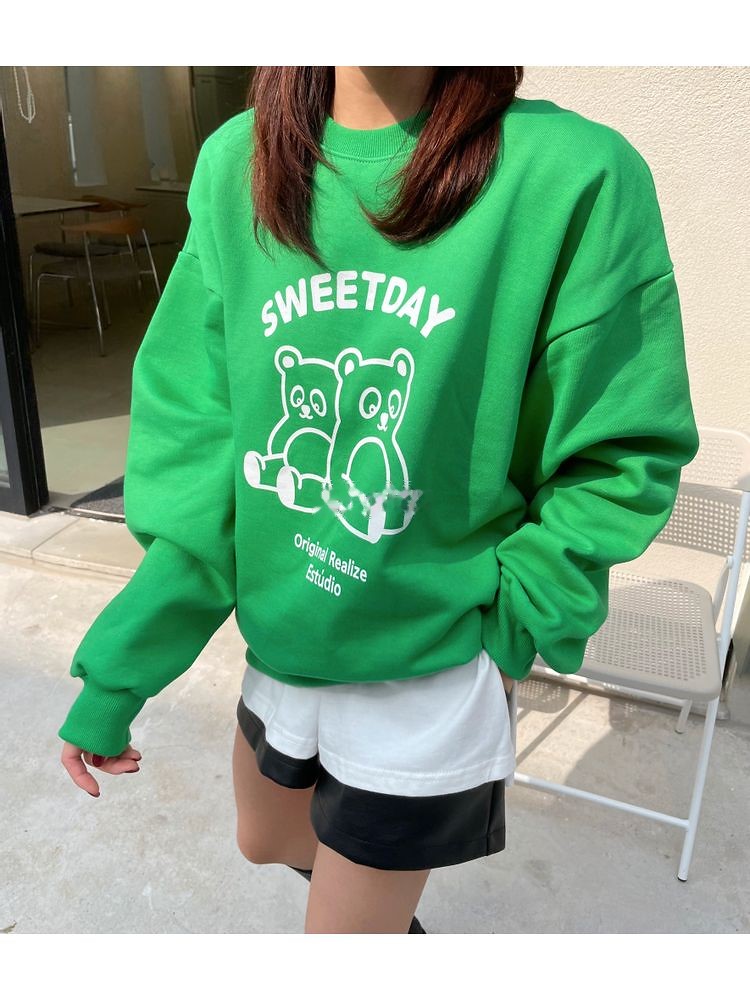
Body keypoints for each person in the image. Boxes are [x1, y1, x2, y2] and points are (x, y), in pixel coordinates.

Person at [58, 66, 700, 934]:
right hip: (285, 641)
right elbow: (198, 449)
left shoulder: (574, 173)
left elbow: (622, 446)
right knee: (263, 841)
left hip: (430, 675)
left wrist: (520, 621)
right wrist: (120, 673)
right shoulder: (238, 163)